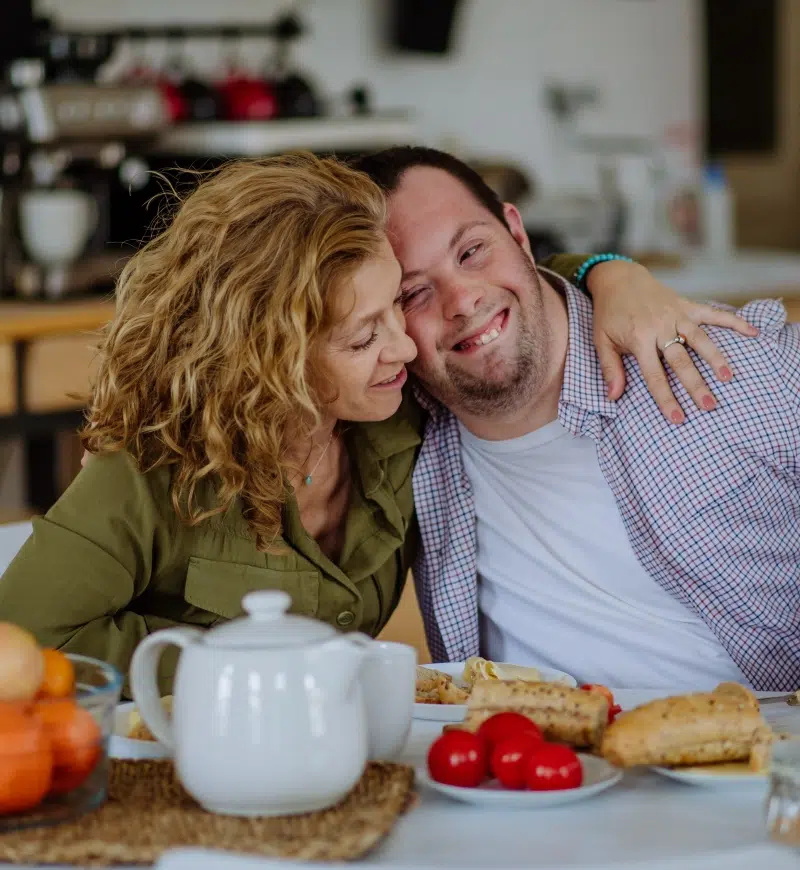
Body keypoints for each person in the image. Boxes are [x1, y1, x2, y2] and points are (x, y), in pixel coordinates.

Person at [0, 151, 749, 695]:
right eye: (362, 336)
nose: (404, 344)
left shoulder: (398, 414)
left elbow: (504, 287)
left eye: (396, 303)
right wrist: (233, 666)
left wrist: (612, 272)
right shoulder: (153, 471)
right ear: (271, 360)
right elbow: (25, 637)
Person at [355, 146, 799, 692]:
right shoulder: (395, 436)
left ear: (517, 233)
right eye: (413, 292)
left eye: (472, 251)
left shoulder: (739, 363)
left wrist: (612, 270)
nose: (462, 299)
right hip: (538, 770)